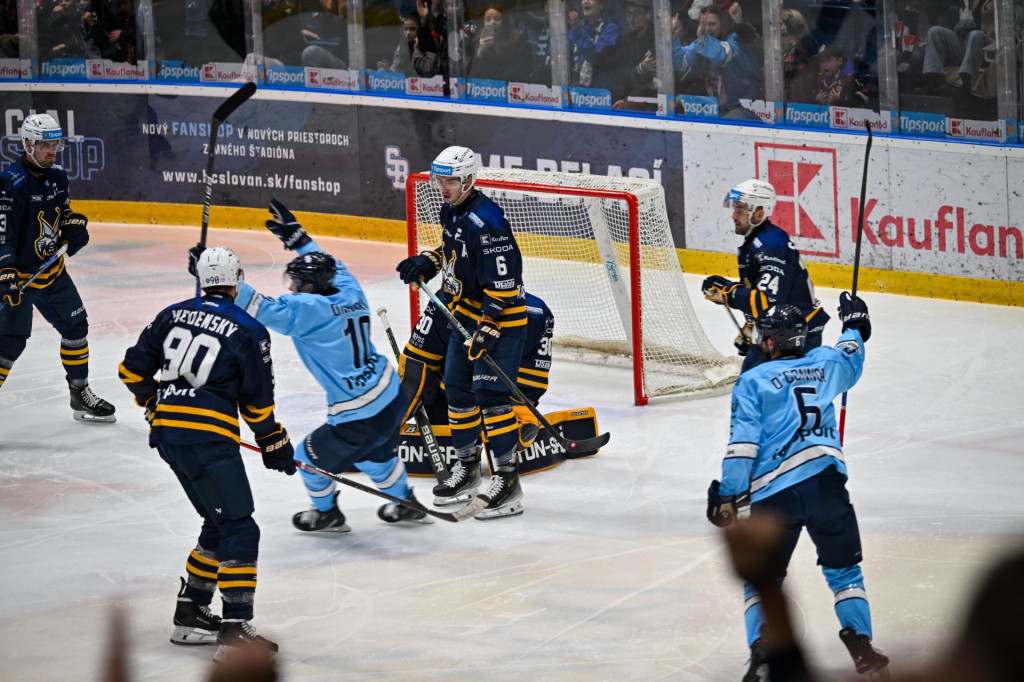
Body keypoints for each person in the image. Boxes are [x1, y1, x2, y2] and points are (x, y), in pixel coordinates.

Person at [119, 246, 295, 661]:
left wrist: (153, 405)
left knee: (217, 523)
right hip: (209, 440)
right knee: (240, 527)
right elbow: (257, 404)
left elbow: (130, 372)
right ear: (237, 280)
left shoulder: (170, 314)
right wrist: (275, 443)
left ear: (201, 279)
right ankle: (235, 629)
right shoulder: (249, 330)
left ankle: (192, 612)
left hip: (167, 435)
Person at [706, 296, 890, 682]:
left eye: (765, 336)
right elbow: (850, 355)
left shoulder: (753, 380)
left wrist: (727, 495)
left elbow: (743, 448)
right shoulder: (824, 364)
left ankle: (762, 656)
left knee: (765, 579)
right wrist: (855, 323)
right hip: (826, 484)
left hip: (775, 494)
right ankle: (862, 646)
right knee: (845, 574)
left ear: (772, 342)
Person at [229, 199, 430, 531]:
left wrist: (217, 276)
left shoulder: (304, 310)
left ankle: (326, 514)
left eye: (295, 283)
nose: (290, 288)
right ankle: (405, 503)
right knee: (376, 456)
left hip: (357, 414)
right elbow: (332, 261)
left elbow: (255, 304)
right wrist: (298, 239)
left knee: (308, 460)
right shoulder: (348, 287)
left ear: (308, 288)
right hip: (391, 396)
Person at [396, 145, 528, 520]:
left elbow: (505, 282)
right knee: (456, 390)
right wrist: (430, 260)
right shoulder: (451, 212)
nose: (443, 186)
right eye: (440, 179)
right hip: (461, 318)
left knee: (491, 396)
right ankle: (467, 470)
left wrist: (488, 325)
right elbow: (456, 253)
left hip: (499, 323)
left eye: (450, 180)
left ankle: (507, 480)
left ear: (469, 179)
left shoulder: (488, 223)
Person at [0, 113, 116, 423]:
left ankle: (79, 394)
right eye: (44, 145)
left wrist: (74, 226)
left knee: (77, 329)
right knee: (9, 345)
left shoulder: (58, 176)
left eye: (55, 144)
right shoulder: (13, 183)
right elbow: (3, 233)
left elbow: (61, 213)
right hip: (20, 277)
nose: (52, 151)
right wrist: (6, 271)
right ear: (27, 144)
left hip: (52, 273)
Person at [401, 288, 555, 504]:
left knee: (515, 430)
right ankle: (469, 470)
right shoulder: (444, 301)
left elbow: (530, 381)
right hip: (455, 400)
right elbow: (416, 367)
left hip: (494, 398)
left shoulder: (535, 313)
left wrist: (519, 415)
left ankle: (506, 478)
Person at [702, 179, 829, 373]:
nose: (733, 215)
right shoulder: (756, 242)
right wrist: (753, 326)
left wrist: (729, 293)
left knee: (766, 394)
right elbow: (770, 298)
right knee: (750, 390)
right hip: (777, 332)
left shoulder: (770, 245)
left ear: (759, 213)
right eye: (735, 208)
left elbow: (765, 301)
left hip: (797, 338)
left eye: (740, 210)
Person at [674, 4, 762, 118]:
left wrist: (703, 37)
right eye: (703, 24)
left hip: (747, 108)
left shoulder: (736, 42)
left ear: (722, 23)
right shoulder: (700, 43)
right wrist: (671, 35)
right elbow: (680, 62)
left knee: (724, 126)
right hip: (717, 108)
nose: (706, 29)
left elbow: (721, 55)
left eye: (712, 24)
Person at [470, 3, 534, 82]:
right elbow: (472, 78)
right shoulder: (477, 42)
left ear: (505, 22)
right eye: (488, 19)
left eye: (497, 19)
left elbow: (523, 73)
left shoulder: (519, 42)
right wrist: (480, 53)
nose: (492, 22)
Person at [567, 0, 621, 91]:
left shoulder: (611, 29)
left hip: (601, 95)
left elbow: (595, 56)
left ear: (601, 5)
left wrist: (578, 31)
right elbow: (562, 56)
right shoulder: (578, 29)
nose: (585, 2)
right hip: (576, 92)